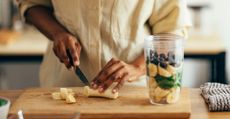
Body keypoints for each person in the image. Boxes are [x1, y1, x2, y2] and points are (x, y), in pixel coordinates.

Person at [18, 0, 191, 93]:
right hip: (64, 87)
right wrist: (57, 33)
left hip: (133, 94)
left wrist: (137, 67)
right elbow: (32, 4)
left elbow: (171, 31)